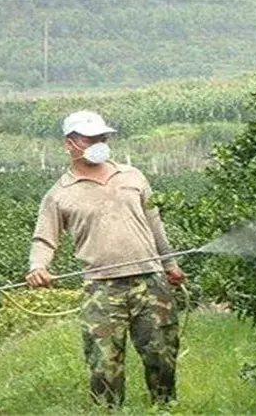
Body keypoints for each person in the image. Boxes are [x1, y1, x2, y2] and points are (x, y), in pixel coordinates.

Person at [25, 110, 187, 408]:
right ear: (70, 144)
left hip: (150, 282)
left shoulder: (132, 176)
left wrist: (171, 265)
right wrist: (38, 267)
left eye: (102, 137)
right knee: (104, 368)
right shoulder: (59, 194)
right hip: (101, 290)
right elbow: (44, 239)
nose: (99, 142)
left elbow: (155, 224)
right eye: (90, 138)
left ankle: (166, 410)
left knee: (162, 357)